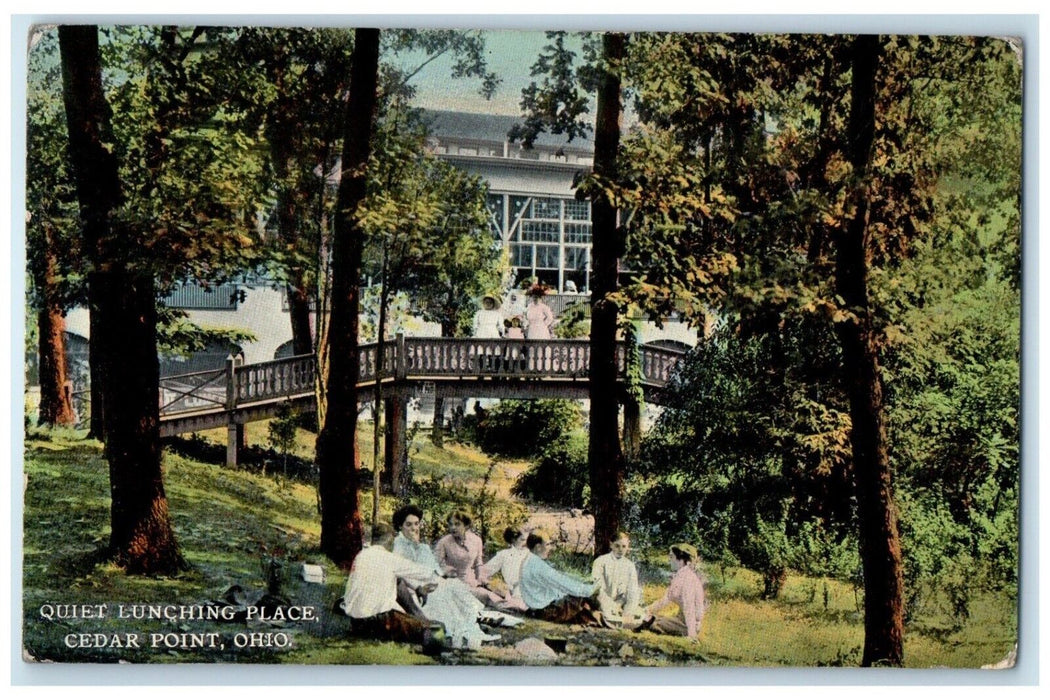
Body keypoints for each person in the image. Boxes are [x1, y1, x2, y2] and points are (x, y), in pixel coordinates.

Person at [391, 504, 498, 647]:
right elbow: (402, 573)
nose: (414, 528)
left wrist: (439, 577)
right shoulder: (398, 546)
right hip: (413, 587)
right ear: (400, 526)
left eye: (416, 524)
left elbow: (434, 569)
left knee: (452, 586)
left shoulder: (421, 547)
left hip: (430, 582)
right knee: (442, 593)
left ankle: (468, 624)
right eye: (409, 524)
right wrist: (422, 585)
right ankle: (457, 628)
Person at [340, 522, 441, 645]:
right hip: (380, 621)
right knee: (436, 629)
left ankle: (418, 619)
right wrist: (441, 576)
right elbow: (423, 572)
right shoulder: (388, 558)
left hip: (356, 622)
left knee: (397, 581)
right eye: (393, 540)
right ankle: (429, 637)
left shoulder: (361, 556)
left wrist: (416, 587)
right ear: (389, 539)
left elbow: (398, 578)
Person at [519, 529, 602, 625]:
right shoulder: (538, 566)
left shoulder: (529, 560)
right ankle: (602, 617)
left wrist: (582, 580)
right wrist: (590, 589)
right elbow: (562, 582)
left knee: (579, 599)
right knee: (583, 596)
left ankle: (595, 616)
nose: (550, 548)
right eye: (547, 544)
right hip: (546, 612)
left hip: (536, 609)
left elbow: (558, 576)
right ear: (538, 547)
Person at [435, 511, 510, 608]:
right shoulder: (444, 542)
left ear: (466, 526)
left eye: (457, 524)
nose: (453, 527)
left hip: (472, 581)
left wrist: (483, 579)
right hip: (453, 583)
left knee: (501, 592)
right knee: (487, 596)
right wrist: (446, 571)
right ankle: (514, 608)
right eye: (450, 524)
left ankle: (521, 608)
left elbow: (478, 563)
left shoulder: (476, 540)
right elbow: (436, 566)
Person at [638, 543, 706, 640]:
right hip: (681, 620)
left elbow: (689, 607)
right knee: (653, 618)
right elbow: (665, 600)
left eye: (671, 557)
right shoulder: (680, 576)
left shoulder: (688, 579)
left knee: (653, 622)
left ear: (681, 560)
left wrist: (692, 635)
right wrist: (647, 609)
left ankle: (681, 632)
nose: (669, 560)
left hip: (688, 624)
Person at [591, 532, 643, 628]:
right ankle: (611, 619)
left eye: (624, 546)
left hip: (621, 603)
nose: (620, 550)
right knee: (604, 612)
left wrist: (626, 609)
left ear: (628, 546)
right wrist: (612, 605)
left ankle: (625, 618)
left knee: (636, 607)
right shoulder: (600, 561)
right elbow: (598, 588)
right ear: (611, 545)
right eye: (617, 546)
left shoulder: (630, 565)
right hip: (603, 600)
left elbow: (632, 590)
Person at [478, 526, 530, 612]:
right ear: (513, 540)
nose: (525, 543)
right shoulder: (504, 554)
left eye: (526, 540)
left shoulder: (528, 553)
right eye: (522, 540)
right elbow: (485, 571)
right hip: (513, 591)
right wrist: (487, 582)